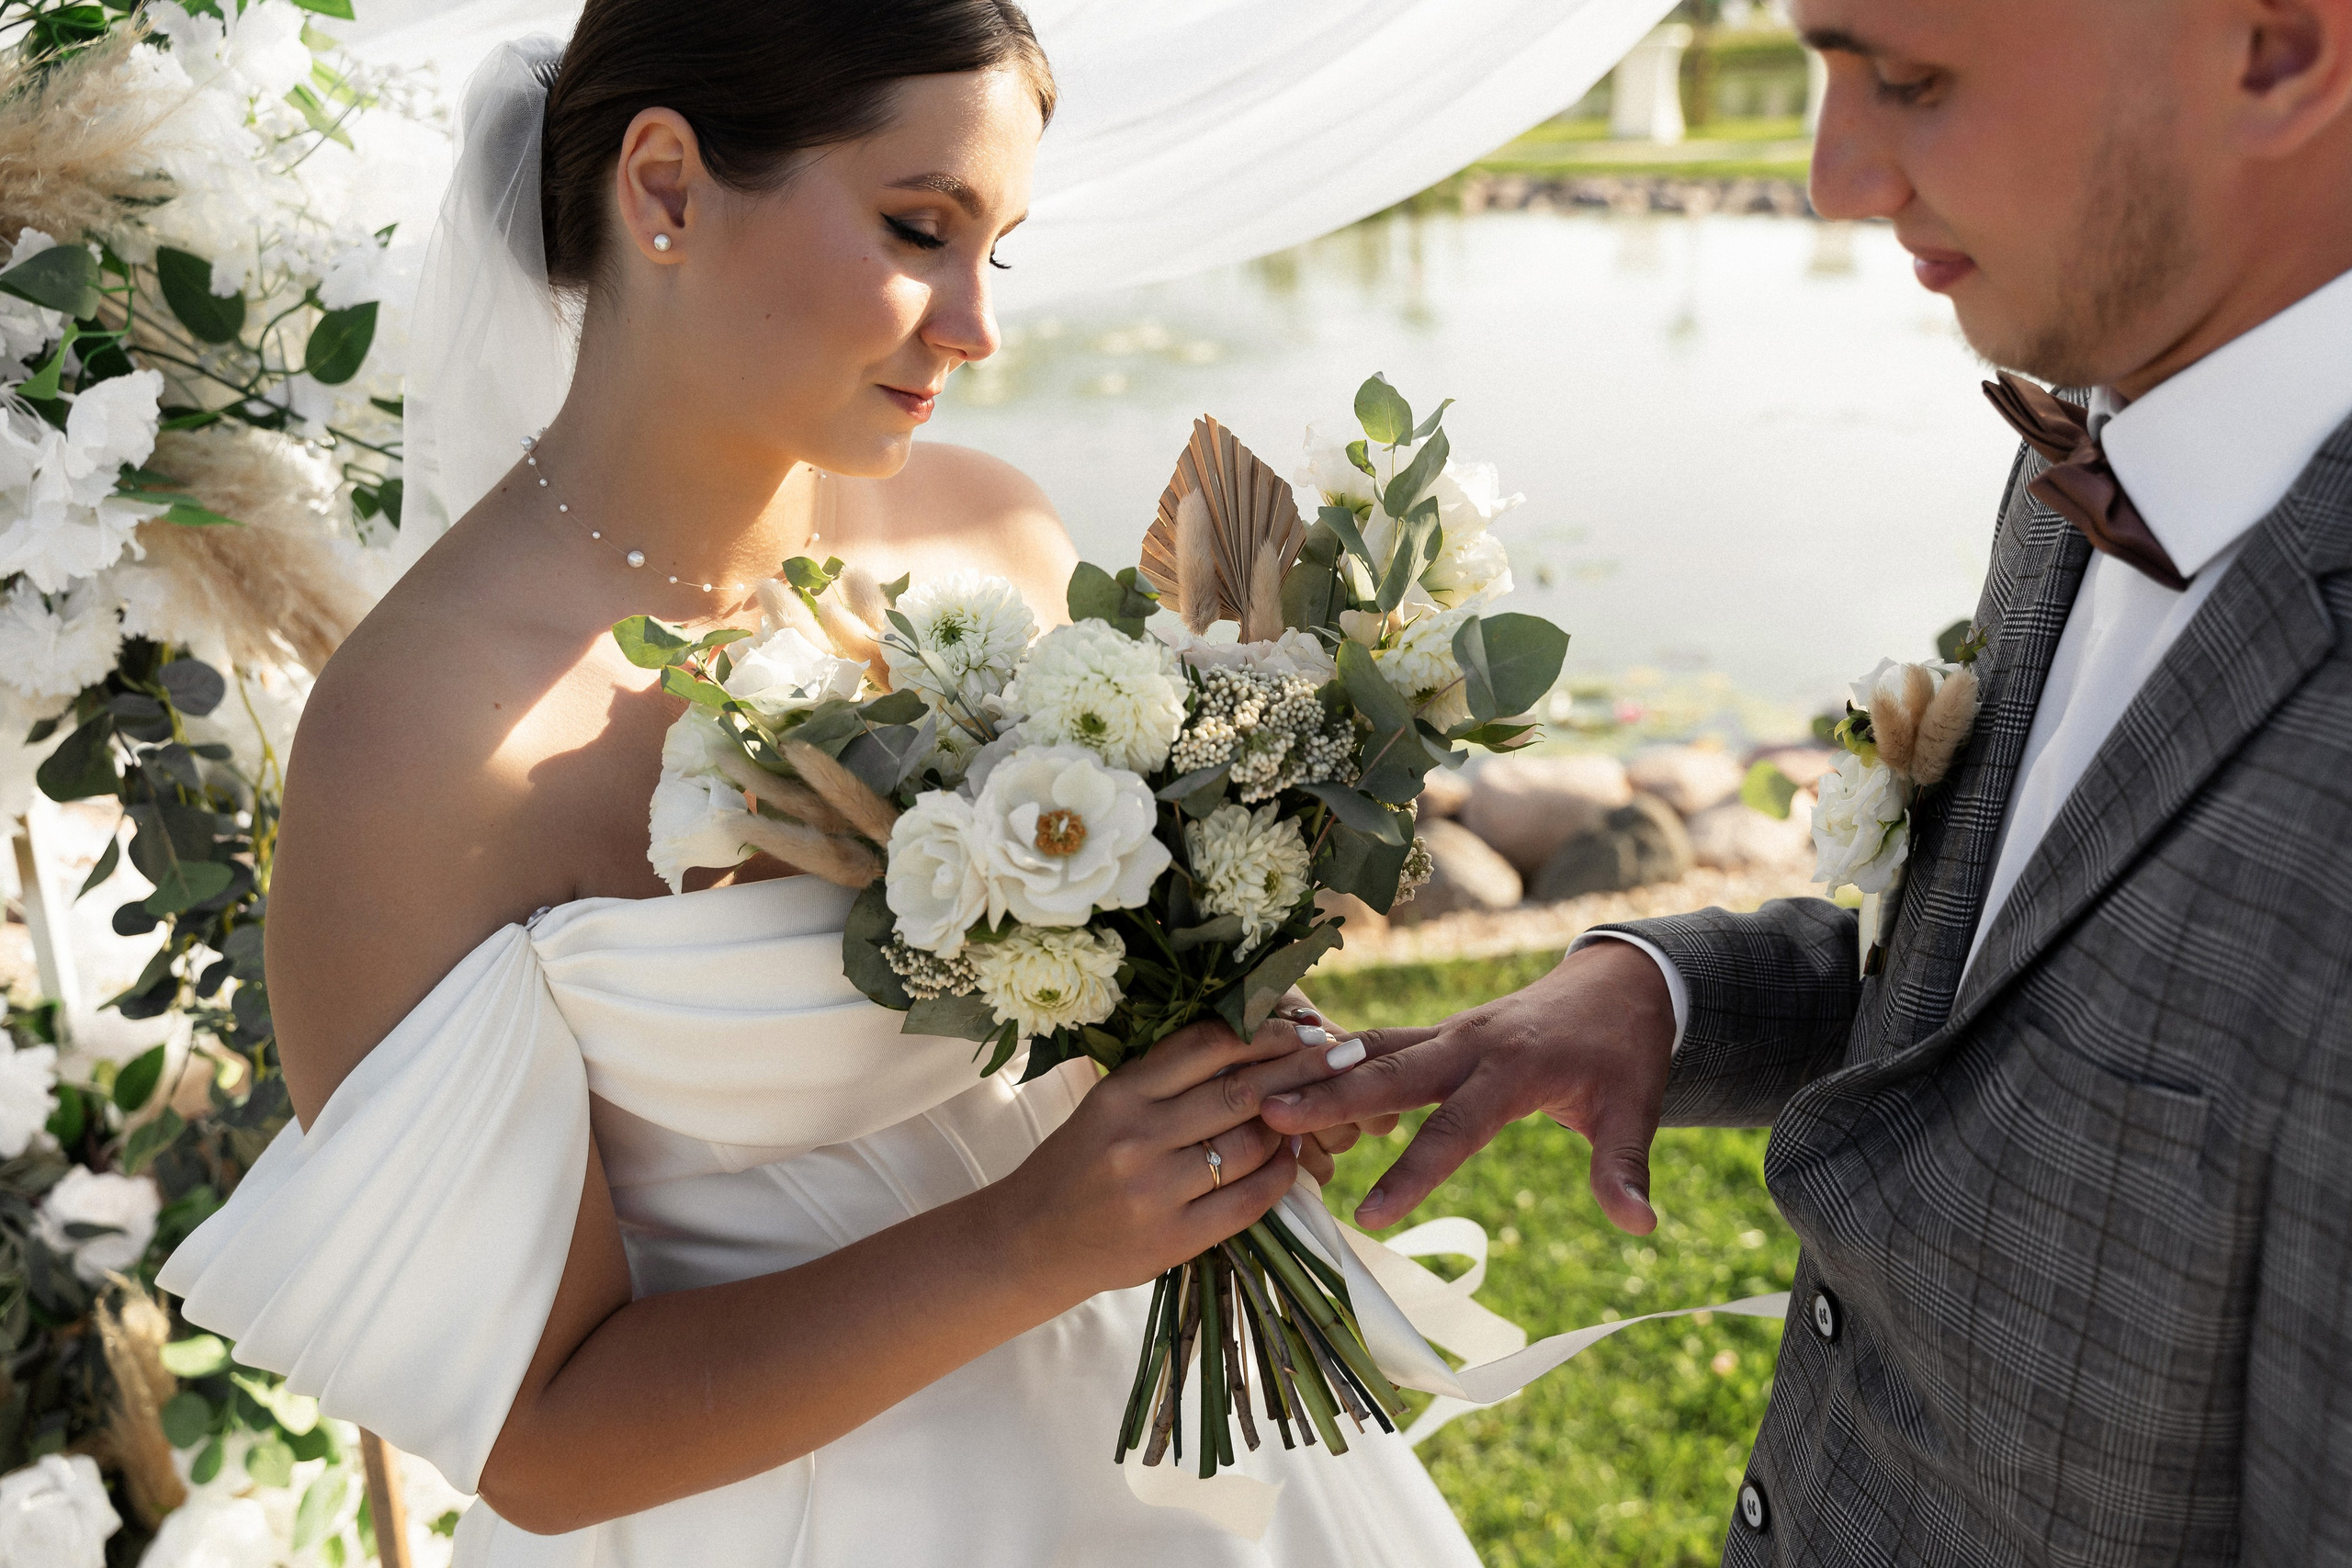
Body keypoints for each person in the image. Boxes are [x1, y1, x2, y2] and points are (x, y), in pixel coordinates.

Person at [157, 4, 1475, 1563]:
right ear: (664, 189)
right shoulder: (421, 744)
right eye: (923, 228)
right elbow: (541, 1447)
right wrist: (1032, 1239)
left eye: (1004, 249)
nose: (978, 325)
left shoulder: (995, 536)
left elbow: (1077, 1010)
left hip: (1180, 1471)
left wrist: (1213, 1052)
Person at [1267, 0, 2352, 1562]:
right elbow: (2044, 973)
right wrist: (1666, 991)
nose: (1836, 177)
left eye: (1910, 81)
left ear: (2275, 46)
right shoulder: (2094, 440)